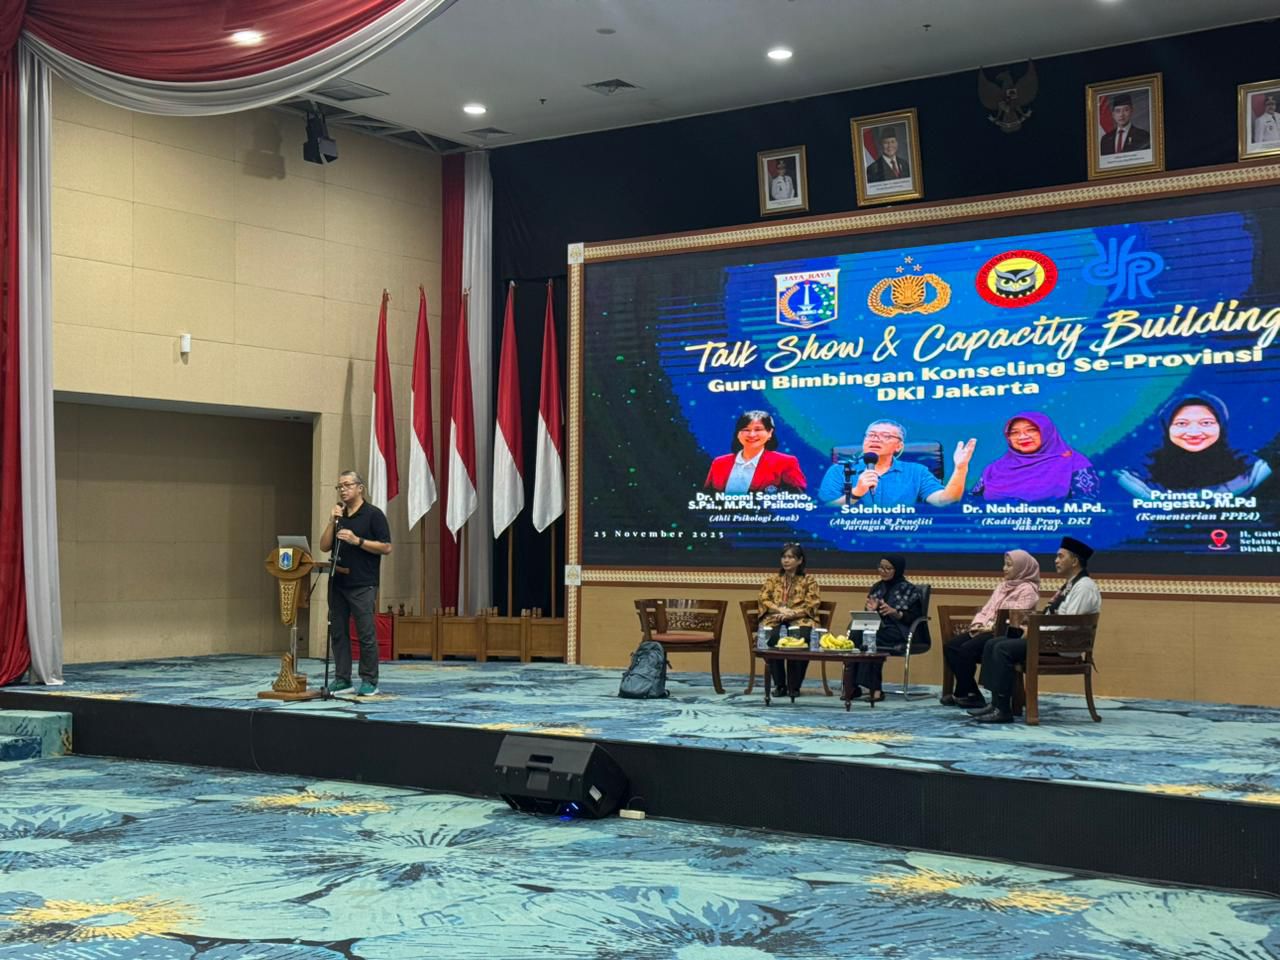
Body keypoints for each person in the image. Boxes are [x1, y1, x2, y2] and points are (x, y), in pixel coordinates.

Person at [971, 537, 1102, 724]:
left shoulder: (1084, 587)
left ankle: (1003, 710)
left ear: (1074, 561)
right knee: (993, 643)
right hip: (1051, 640)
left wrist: (1035, 631)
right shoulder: (1071, 585)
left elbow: (1068, 622)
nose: (1056, 561)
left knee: (1002, 648)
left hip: (1062, 645)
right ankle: (996, 703)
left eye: (1060, 557)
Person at [318, 469, 392, 696]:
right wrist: (332, 521)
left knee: (365, 633)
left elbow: (386, 547)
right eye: (339, 486)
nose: (343, 490)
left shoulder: (373, 514)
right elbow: (324, 546)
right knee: (338, 632)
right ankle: (343, 679)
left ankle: (369, 680)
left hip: (362, 583)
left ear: (360, 488)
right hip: (338, 582)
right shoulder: (340, 515)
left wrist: (357, 540)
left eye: (347, 485)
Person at [1115, 393, 1272, 498]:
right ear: (1166, 427)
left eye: (1206, 423)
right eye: (1181, 423)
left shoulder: (1252, 470)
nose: (1194, 432)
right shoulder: (1138, 475)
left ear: (1221, 426)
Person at [940, 550, 1040, 709]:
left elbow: (1015, 617)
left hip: (1006, 632)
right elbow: (987, 609)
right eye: (1004, 565)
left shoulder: (1028, 590)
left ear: (1022, 568)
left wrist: (989, 627)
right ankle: (971, 693)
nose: (1004, 568)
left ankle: (965, 693)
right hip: (986, 629)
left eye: (1009, 565)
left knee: (966, 650)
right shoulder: (1002, 586)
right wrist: (978, 624)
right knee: (951, 647)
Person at [817, 419, 976, 507]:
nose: (875, 439)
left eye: (886, 436)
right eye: (871, 435)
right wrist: (857, 492)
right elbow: (825, 509)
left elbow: (945, 501)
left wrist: (961, 468)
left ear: (899, 446)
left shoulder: (917, 472)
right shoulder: (839, 470)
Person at [969, 412, 1099, 503]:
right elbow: (972, 504)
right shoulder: (995, 468)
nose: (1022, 437)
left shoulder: (1073, 462)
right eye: (1014, 433)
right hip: (997, 531)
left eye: (1031, 430)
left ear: (1047, 431)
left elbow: (1087, 505)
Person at [846, 555, 923, 704]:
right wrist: (871, 611)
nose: (883, 571)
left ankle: (875, 689)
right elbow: (869, 614)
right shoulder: (877, 587)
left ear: (897, 569)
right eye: (881, 567)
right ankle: (852, 686)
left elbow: (915, 617)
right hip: (878, 627)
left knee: (871, 637)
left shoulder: (909, 590)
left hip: (899, 630)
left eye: (888, 568)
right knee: (856, 633)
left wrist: (896, 613)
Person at [758, 543, 822, 698]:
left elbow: (812, 604)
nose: (786, 560)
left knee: (802, 639)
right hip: (776, 617)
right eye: (784, 557)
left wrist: (792, 614)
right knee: (772, 639)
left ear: (800, 560)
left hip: (800, 619)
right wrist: (780, 610)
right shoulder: (773, 580)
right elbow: (763, 599)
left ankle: (794, 686)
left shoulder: (809, 580)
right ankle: (780, 685)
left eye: (790, 557)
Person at [704, 411, 808, 493]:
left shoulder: (785, 462)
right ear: (738, 434)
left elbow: (798, 500)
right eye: (746, 430)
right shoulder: (719, 463)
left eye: (758, 429)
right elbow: (706, 498)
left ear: (770, 433)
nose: (752, 435)